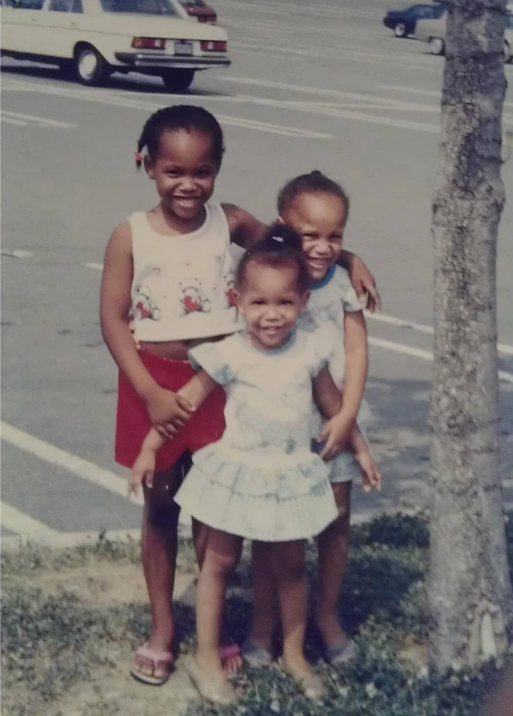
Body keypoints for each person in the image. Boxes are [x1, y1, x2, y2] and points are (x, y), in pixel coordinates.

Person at [100, 104, 380, 686]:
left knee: (213, 506)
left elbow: (295, 246)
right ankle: (161, 630)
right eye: (172, 171)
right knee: (161, 505)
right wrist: (150, 391)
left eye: (201, 171)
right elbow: (112, 319)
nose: (187, 183)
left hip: (216, 384)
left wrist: (347, 257)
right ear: (145, 164)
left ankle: (218, 628)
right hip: (154, 382)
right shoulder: (129, 233)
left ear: (218, 167)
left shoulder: (229, 222)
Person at [129, 225, 379, 703]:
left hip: (287, 474)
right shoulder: (228, 354)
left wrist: (360, 449)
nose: (272, 315)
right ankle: (206, 657)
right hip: (237, 473)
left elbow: (333, 407)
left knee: (290, 566)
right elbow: (182, 404)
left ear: (302, 302)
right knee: (219, 562)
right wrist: (147, 450)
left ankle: (294, 653)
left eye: (284, 303)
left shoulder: (308, 352)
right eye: (259, 303)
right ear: (240, 302)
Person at [245, 171, 382, 670]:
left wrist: (347, 416)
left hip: (335, 426)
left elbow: (356, 347)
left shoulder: (342, 283)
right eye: (312, 235)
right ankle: (263, 626)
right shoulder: (273, 274)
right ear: (284, 226)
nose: (324, 248)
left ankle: (325, 617)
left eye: (336, 237)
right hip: (276, 426)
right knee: (271, 528)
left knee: (334, 522)